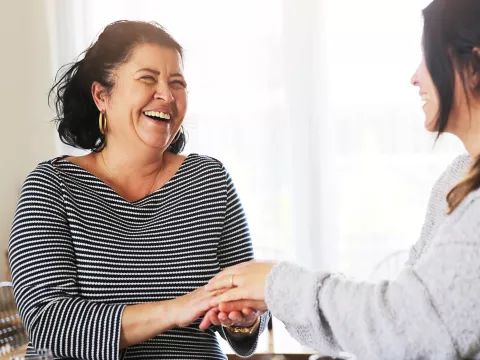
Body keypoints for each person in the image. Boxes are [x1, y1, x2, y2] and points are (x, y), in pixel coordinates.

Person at [205, 0, 480, 359]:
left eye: (428, 57)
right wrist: (273, 295)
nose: (415, 76)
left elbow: (412, 326)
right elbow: (389, 321)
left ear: (473, 65)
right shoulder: (455, 180)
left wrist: (277, 284)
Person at [8, 20, 268, 360]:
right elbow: (48, 321)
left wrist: (244, 319)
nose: (167, 94)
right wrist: (178, 309)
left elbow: (246, 335)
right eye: (148, 78)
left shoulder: (209, 179)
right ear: (102, 95)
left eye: (177, 83)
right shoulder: (51, 186)